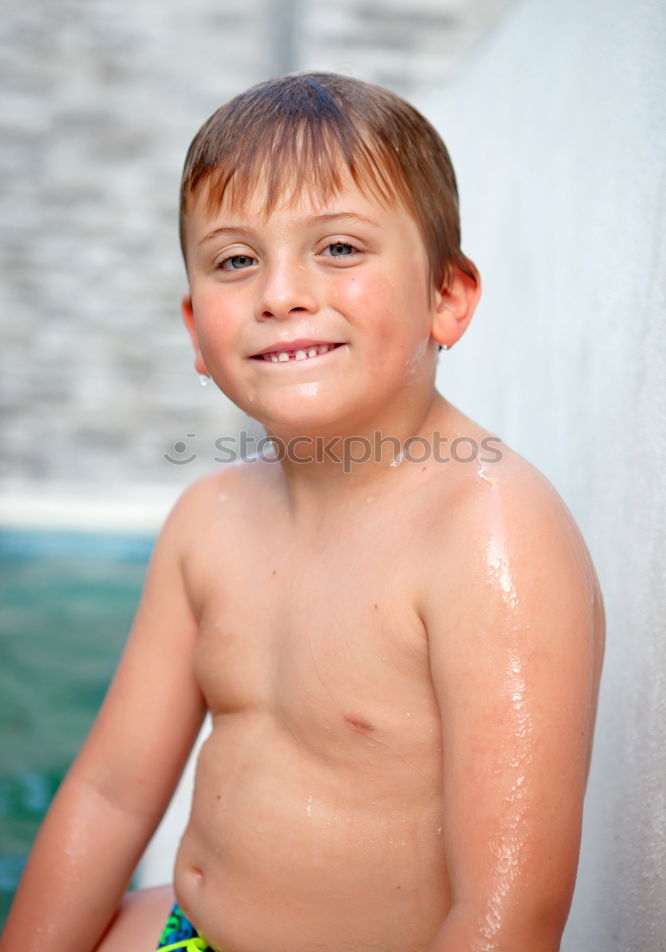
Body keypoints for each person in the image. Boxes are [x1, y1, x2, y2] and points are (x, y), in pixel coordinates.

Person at [1, 72, 605, 952]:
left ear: (447, 296)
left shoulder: (488, 537)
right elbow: (111, 792)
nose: (280, 293)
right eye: (236, 261)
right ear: (196, 330)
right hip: (189, 930)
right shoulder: (207, 520)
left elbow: (508, 914)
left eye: (340, 249)